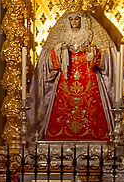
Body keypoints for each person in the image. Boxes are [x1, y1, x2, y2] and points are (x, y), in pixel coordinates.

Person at [35, 11, 114, 143]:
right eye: (71, 19)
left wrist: (90, 51)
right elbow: (50, 58)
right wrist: (61, 50)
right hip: (66, 77)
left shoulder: (89, 34)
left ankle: (95, 134)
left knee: (92, 109)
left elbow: (101, 57)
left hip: (88, 76)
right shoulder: (63, 35)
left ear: (82, 20)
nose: (74, 22)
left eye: (76, 19)